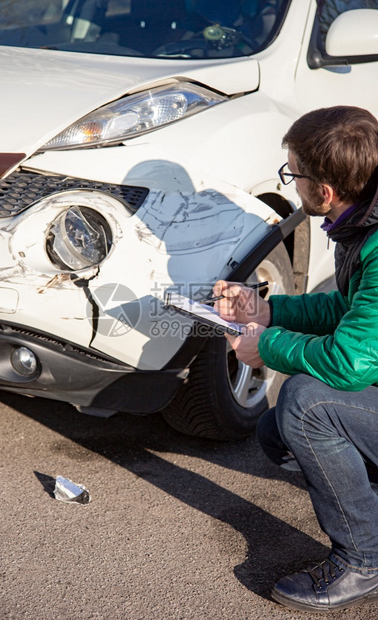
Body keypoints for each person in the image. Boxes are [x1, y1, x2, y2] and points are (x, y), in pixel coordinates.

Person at [213, 105, 378, 613]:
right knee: (276, 431)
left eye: (294, 174)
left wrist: (266, 345)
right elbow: (346, 309)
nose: (292, 184)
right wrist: (267, 307)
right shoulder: (365, 221)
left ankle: (363, 559)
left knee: (304, 404)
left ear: (324, 191)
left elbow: (350, 362)